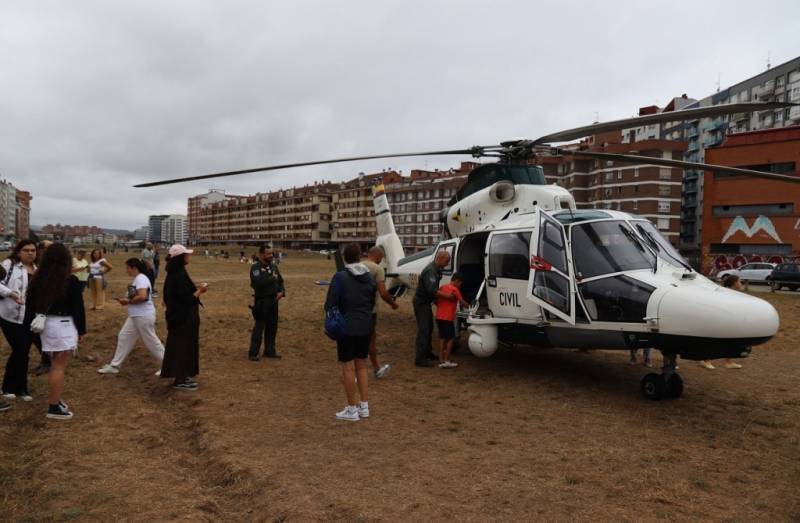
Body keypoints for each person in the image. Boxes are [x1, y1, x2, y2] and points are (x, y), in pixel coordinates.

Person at [25, 243, 86, 420]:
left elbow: (30, 306)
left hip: (46, 325)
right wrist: (81, 330)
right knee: (59, 367)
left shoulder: (37, 278)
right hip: (63, 325)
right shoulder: (70, 280)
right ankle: (53, 406)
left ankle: (56, 400)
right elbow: (78, 308)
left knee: (55, 364)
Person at [325, 243, 376, 421]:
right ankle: (364, 406)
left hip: (347, 327)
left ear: (345, 258)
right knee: (361, 365)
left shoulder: (340, 277)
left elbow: (330, 303)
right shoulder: (369, 277)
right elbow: (371, 301)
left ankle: (352, 409)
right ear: (360, 256)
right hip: (366, 325)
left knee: (348, 367)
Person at [97, 258, 165, 375]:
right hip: (136, 316)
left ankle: (169, 365)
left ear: (134, 268)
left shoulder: (141, 279)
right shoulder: (138, 279)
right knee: (124, 336)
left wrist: (127, 301)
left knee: (151, 341)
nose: (126, 270)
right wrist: (127, 300)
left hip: (142, 316)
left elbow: (143, 296)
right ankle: (115, 366)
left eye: (127, 268)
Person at [161, 245, 207, 390]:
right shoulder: (178, 275)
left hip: (180, 317)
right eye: (186, 254)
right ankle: (180, 379)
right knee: (182, 348)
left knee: (184, 347)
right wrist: (200, 290)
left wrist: (195, 288)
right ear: (180, 258)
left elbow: (179, 293)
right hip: (182, 318)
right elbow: (188, 299)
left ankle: (183, 375)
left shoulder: (176, 272)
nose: (188, 256)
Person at [0, 240, 38, 405]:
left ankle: (20, 387)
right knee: (20, 350)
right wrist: (10, 293)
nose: (30, 253)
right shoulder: (8, 265)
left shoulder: (37, 269)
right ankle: (10, 387)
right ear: (18, 252)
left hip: (30, 316)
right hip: (10, 315)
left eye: (33, 250)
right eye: (26, 250)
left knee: (23, 352)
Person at [361, 246, 398, 378]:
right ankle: (376, 368)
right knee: (371, 339)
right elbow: (383, 293)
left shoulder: (358, 266)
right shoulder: (377, 269)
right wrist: (393, 304)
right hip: (369, 310)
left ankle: (354, 368)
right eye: (381, 258)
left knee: (356, 339)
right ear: (377, 256)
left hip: (354, 309)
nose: (381, 260)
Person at [413, 250, 453, 367]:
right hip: (421, 303)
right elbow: (432, 290)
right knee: (424, 329)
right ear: (440, 258)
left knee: (429, 328)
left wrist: (437, 302)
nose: (447, 264)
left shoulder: (436, 270)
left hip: (426, 302)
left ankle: (427, 352)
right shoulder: (431, 270)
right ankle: (420, 359)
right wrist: (447, 297)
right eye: (446, 261)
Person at [248, 245, 285, 361]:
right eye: (268, 253)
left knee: (272, 327)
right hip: (262, 302)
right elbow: (257, 284)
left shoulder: (273, 266)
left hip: (274, 301)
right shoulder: (255, 268)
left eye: (271, 253)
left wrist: (282, 292)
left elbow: (280, 281)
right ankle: (253, 353)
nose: (271, 255)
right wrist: (272, 279)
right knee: (259, 327)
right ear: (261, 254)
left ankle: (270, 351)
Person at [700, 274, 744, 370]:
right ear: (734, 283)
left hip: (730, 320)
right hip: (721, 320)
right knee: (715, 340)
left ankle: (728, 362)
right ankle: (706, 360)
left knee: (731, 340)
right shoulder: (726, 293)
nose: (741, 283)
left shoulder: (734, 293)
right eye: (739, 281)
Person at [435, 272, 469, 368]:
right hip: (447, 318)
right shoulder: (455, 289)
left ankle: (441, 360)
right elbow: (462, 302)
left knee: (442, 338)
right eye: (460, 284)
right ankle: (446, 360)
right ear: (457, 281)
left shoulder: (442, 287)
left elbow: (436, 300)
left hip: (439, 317)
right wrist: (471, 306)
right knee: (451, 338)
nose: (460, 286)